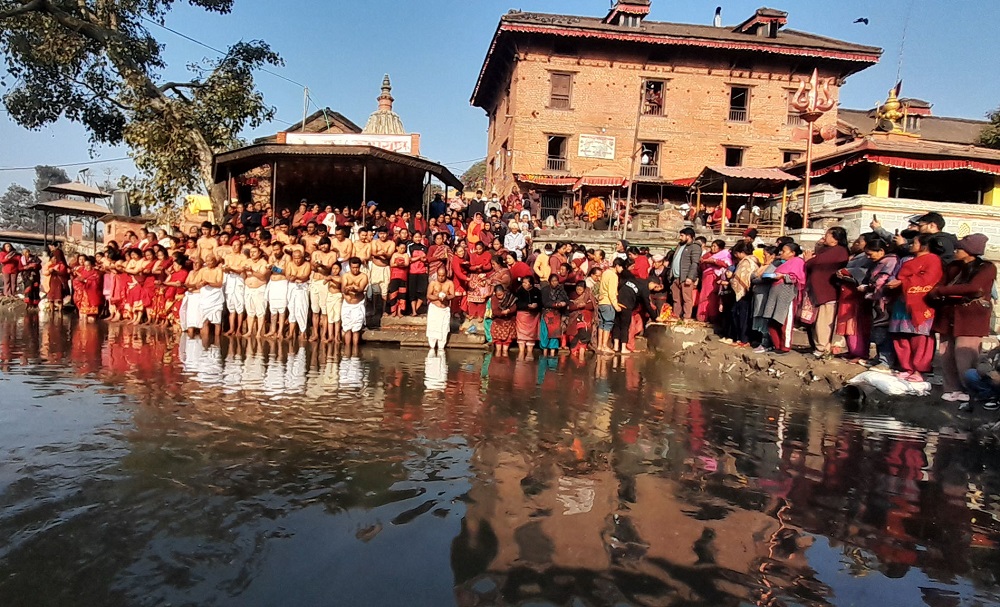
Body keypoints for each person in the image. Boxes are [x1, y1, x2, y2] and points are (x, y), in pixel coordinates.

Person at [929, 234, 996, 407]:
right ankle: (952, 389)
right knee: (946, 353)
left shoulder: (986, 268)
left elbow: (973, 287)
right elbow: (940, 285)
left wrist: (943, 291)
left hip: (971, 317)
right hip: (949, 314)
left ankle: (971, 390)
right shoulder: (953, 266)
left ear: (970, 252)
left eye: (960, 249)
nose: (956, 251)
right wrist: (942, 290)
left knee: (965, 354)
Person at [886, 234, 943, 383]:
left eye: (914, 242)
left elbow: (928, 279)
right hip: (902, 301)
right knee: (901, 335)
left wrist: (902, 282)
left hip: (920, 302)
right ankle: (907, 367)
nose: (911, 244)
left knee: (919, 337)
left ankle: (919, 369)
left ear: (924, 245)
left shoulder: (933, 260)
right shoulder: (910, 260)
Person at [804, 227, 849, 357]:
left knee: (824, 321)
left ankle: (822, 348)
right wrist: (819, 246)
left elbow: (816, 261)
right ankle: (821, 346)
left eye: (828, 235)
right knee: (817, 321)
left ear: (835, 239)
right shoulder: (830, 250)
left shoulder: (839, 251)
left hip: (828, 291)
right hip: (820, 291)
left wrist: (808, 260)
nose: (825, 237)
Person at [857, 239, 900, 369]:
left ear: (881, 251)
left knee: (883, 331)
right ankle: (880, 357)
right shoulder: (879, 262)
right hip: (878, 301)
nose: (869, 257)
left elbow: (882, 281)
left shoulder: (890, 261)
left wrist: (868, 289)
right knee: (878, 330)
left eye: (870, 254)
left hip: (885, 301)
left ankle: (885, 361)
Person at [755, 242, 805, 354]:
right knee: (772, 321)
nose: (781, 253)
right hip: (774, 294)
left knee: (784, 322)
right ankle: (777, 345)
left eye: (784, 251)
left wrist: (783, 276)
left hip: (786, 296)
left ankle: (785, 347)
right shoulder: (780, 263)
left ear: (793, 253)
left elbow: (797, 278)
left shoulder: (797, 262)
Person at [834, 233, 875, 362]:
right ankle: (852, 351)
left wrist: (847, 273)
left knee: (856, 324)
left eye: (859, 241)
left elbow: (864, 274)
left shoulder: (867, 258)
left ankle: (860, 352)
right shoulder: (855, 257)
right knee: (846, 322)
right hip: (847, 293)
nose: (856, 243)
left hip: (857, 295)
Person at [726, 241, 759, 345]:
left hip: (744, 293)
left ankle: (743, 339)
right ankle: (740, 338)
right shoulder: (752, 261)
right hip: (747, 292)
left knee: (742, 317)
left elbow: (742, 278)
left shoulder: (747, 262)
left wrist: (731, 278)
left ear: (741, 252)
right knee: (738, 315)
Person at [309, 237, 338, 341]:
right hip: (315, 282)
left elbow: (330, 268)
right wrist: (316, 266)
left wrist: (321, 265)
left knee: (324, 310)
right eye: (321, 244)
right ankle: (315, 333)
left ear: (329, 245)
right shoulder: (315, 253)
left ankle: (324, 334)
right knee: (315, 310)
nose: (323, 246)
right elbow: (312, 267)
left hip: (325, 283)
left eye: (325, 244)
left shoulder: (333, 254)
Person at [696, 239, 730, 323]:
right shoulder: (708, 255)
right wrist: (706, 261)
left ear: (720, 248)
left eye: (715, 246)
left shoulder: (725, 254)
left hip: (716, 278)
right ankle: (702, 316)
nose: (712, 248)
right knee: (704, 296)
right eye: (712, 246)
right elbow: (701, 264)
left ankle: (713, 317)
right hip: (707, 277)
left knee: (713, 297)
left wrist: (714, 261)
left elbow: (726, 264)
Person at [670, 228, 701, 320]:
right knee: (676, 299)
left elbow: (695, 263)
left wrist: (690, 277)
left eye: (682, 235)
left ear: (688, 236)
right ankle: (676, 316)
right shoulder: (680, 246)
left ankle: (686, 317)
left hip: (685, 277)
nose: (680, 237)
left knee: (687, 298)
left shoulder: (695, 247)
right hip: (676, 277)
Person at [596, 258, 625, 354]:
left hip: (601, 302)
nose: (622, 270)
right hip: (608, 302)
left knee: (601, 324)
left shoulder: (605, 273)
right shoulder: (613, 276)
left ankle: (599, 345)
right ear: (617, 266)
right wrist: (616, 305)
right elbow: (611, 292)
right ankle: (604, 345)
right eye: (621, 267)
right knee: (608, 324)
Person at [341, 257, 369, 353]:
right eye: (353, 267)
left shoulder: (363, 276)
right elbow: (343, 289)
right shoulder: (345, 276)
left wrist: (354, 288)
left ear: (360, 267)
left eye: (357, 267)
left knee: (356, 329)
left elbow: (361, 288)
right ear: (350, 266)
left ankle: (355, 354)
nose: (355, 270)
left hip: (358, 304)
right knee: (347, 328)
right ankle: (347, 351)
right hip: (347, 304)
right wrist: (347, 289)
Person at [221, 240, 247, 336]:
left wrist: (231, 269)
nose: (235, 247)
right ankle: (231, 328)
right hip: (229, 280)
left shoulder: (243, 257)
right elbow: (226, 268)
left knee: (240, 305)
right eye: (234, 245)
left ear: (241, 246)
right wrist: (226, 269)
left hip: (239, 280)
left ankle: (239, 329)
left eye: (238, 245)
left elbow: (241, 270)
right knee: (230, 306)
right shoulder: (227, 256)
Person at [426, 267, 454, 352]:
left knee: (443, 329)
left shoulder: (450, 283)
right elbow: (428, 295)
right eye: (439, 275)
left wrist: (446, 297)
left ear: (446, 275)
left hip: (444, 309)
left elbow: (452, 295)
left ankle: (441, 348)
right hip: (434, 308)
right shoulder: (433, 283)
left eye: (443, 275)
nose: (441, 277)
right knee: (433, 329)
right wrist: (437, 297)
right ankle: (432, 347)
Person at [539, 273, 568, 356]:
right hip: (546, 315)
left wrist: (563, 303)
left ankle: (552, 357)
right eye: (552, 281)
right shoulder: (545, 290)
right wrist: (555, 304)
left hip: (556, 315)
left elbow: (566, 300)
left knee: (554, 336)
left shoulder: (561, 290)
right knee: (545, 334)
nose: (554, 282)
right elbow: (544, 302)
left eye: (556, 281)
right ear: (549, 281)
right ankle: (544, 356)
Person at [284, 249, 312, 338]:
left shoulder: (307, 264)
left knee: (302, 309)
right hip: (292, 287)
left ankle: (303, 332)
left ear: (302, 257)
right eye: (295, 258)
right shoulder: (290, 264)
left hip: (302, 287)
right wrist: (292, 277)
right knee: (292, 309)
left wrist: (295, 276)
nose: (297, 260)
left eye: (299, 258)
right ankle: (291, 333)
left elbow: (305, 276)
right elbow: (288, 275)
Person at [514, 275, 542, 359]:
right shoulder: (519, 291)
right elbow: (517, 304)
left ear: (531, 284)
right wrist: (527, 305)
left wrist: (536, 305)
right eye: (523, 283)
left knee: (531, 335)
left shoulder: (536, 291)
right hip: (522, 315)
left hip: (533, 316)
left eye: (526, 283)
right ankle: (521, 352)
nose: (524, 284)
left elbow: (541, 303)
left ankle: (530, 352)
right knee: (521, 335)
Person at [198, 254, 225, 338]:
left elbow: (219, 284)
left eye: (211, 261)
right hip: (205, 297)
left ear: (214, 261)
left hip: (216, 296)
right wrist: (200, 284)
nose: (209, 263)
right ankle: (205, 344)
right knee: (205, 320)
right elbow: (197, 284)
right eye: (207, 261)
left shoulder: (218, 270)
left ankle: (217, 344)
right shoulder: (202, 271)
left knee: (217, 322)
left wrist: (208, 283)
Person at [489, 283, 518, 356]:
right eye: (498, 295)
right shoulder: (494, 299)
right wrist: (502, 312)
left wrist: (508, 310)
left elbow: (514, 307)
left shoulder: (510, 297)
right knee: (498, 350)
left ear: (504, 292)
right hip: (498, 322)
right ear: (495, 294)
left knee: (505, 351)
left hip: (509, 322)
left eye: (501, 294)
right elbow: (494, 311)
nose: (500, 297)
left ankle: (505, 364)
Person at [74, 256, 102, 321]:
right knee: (82, 317)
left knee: (91, 319)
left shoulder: (96, 273)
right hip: (83, 296)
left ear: (91, 265)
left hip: (91, 296)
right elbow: (76, 281)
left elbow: (97, 283)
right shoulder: (82, 273)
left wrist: (86, 281)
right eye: (85, 265)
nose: (86, 267)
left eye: (88, 265)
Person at [387, 241, 410, 317]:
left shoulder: (406, 255)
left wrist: (398, 264)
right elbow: (391, 264)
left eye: (404, 248)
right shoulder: (394, 254)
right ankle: (393, 311)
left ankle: (400, 311)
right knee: (393, 294)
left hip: (403, 277)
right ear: (397, 248)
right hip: (394, 276)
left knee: (402, 295)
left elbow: (406, 263)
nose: (402, 250)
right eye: (401, 248)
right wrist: (398, 264)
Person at [44, 248, 70, 313]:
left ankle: (60, 311)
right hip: (50, 282)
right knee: (51, 298)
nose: (54, 259)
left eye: (56, 258)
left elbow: (63, 272)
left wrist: (55, 271)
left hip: (59, 282)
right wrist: (50, 271)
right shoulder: (48, 264)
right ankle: (51, 311)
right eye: (53, 258)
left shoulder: (61, 264)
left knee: (59, 297)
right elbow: (44, 272)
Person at [325, 261, 344, 345]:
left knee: (337, 317)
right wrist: (327, 279)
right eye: (333, 269)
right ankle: (330, 336)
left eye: (337, 268)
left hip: (337, 296)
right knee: (330, 317)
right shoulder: (330, 276)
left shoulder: (341, 277)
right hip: (330, 296)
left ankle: (337, 336)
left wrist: (332, 278)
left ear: (340, 269)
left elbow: (340, 282)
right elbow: (324, 282)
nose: (335, 270)